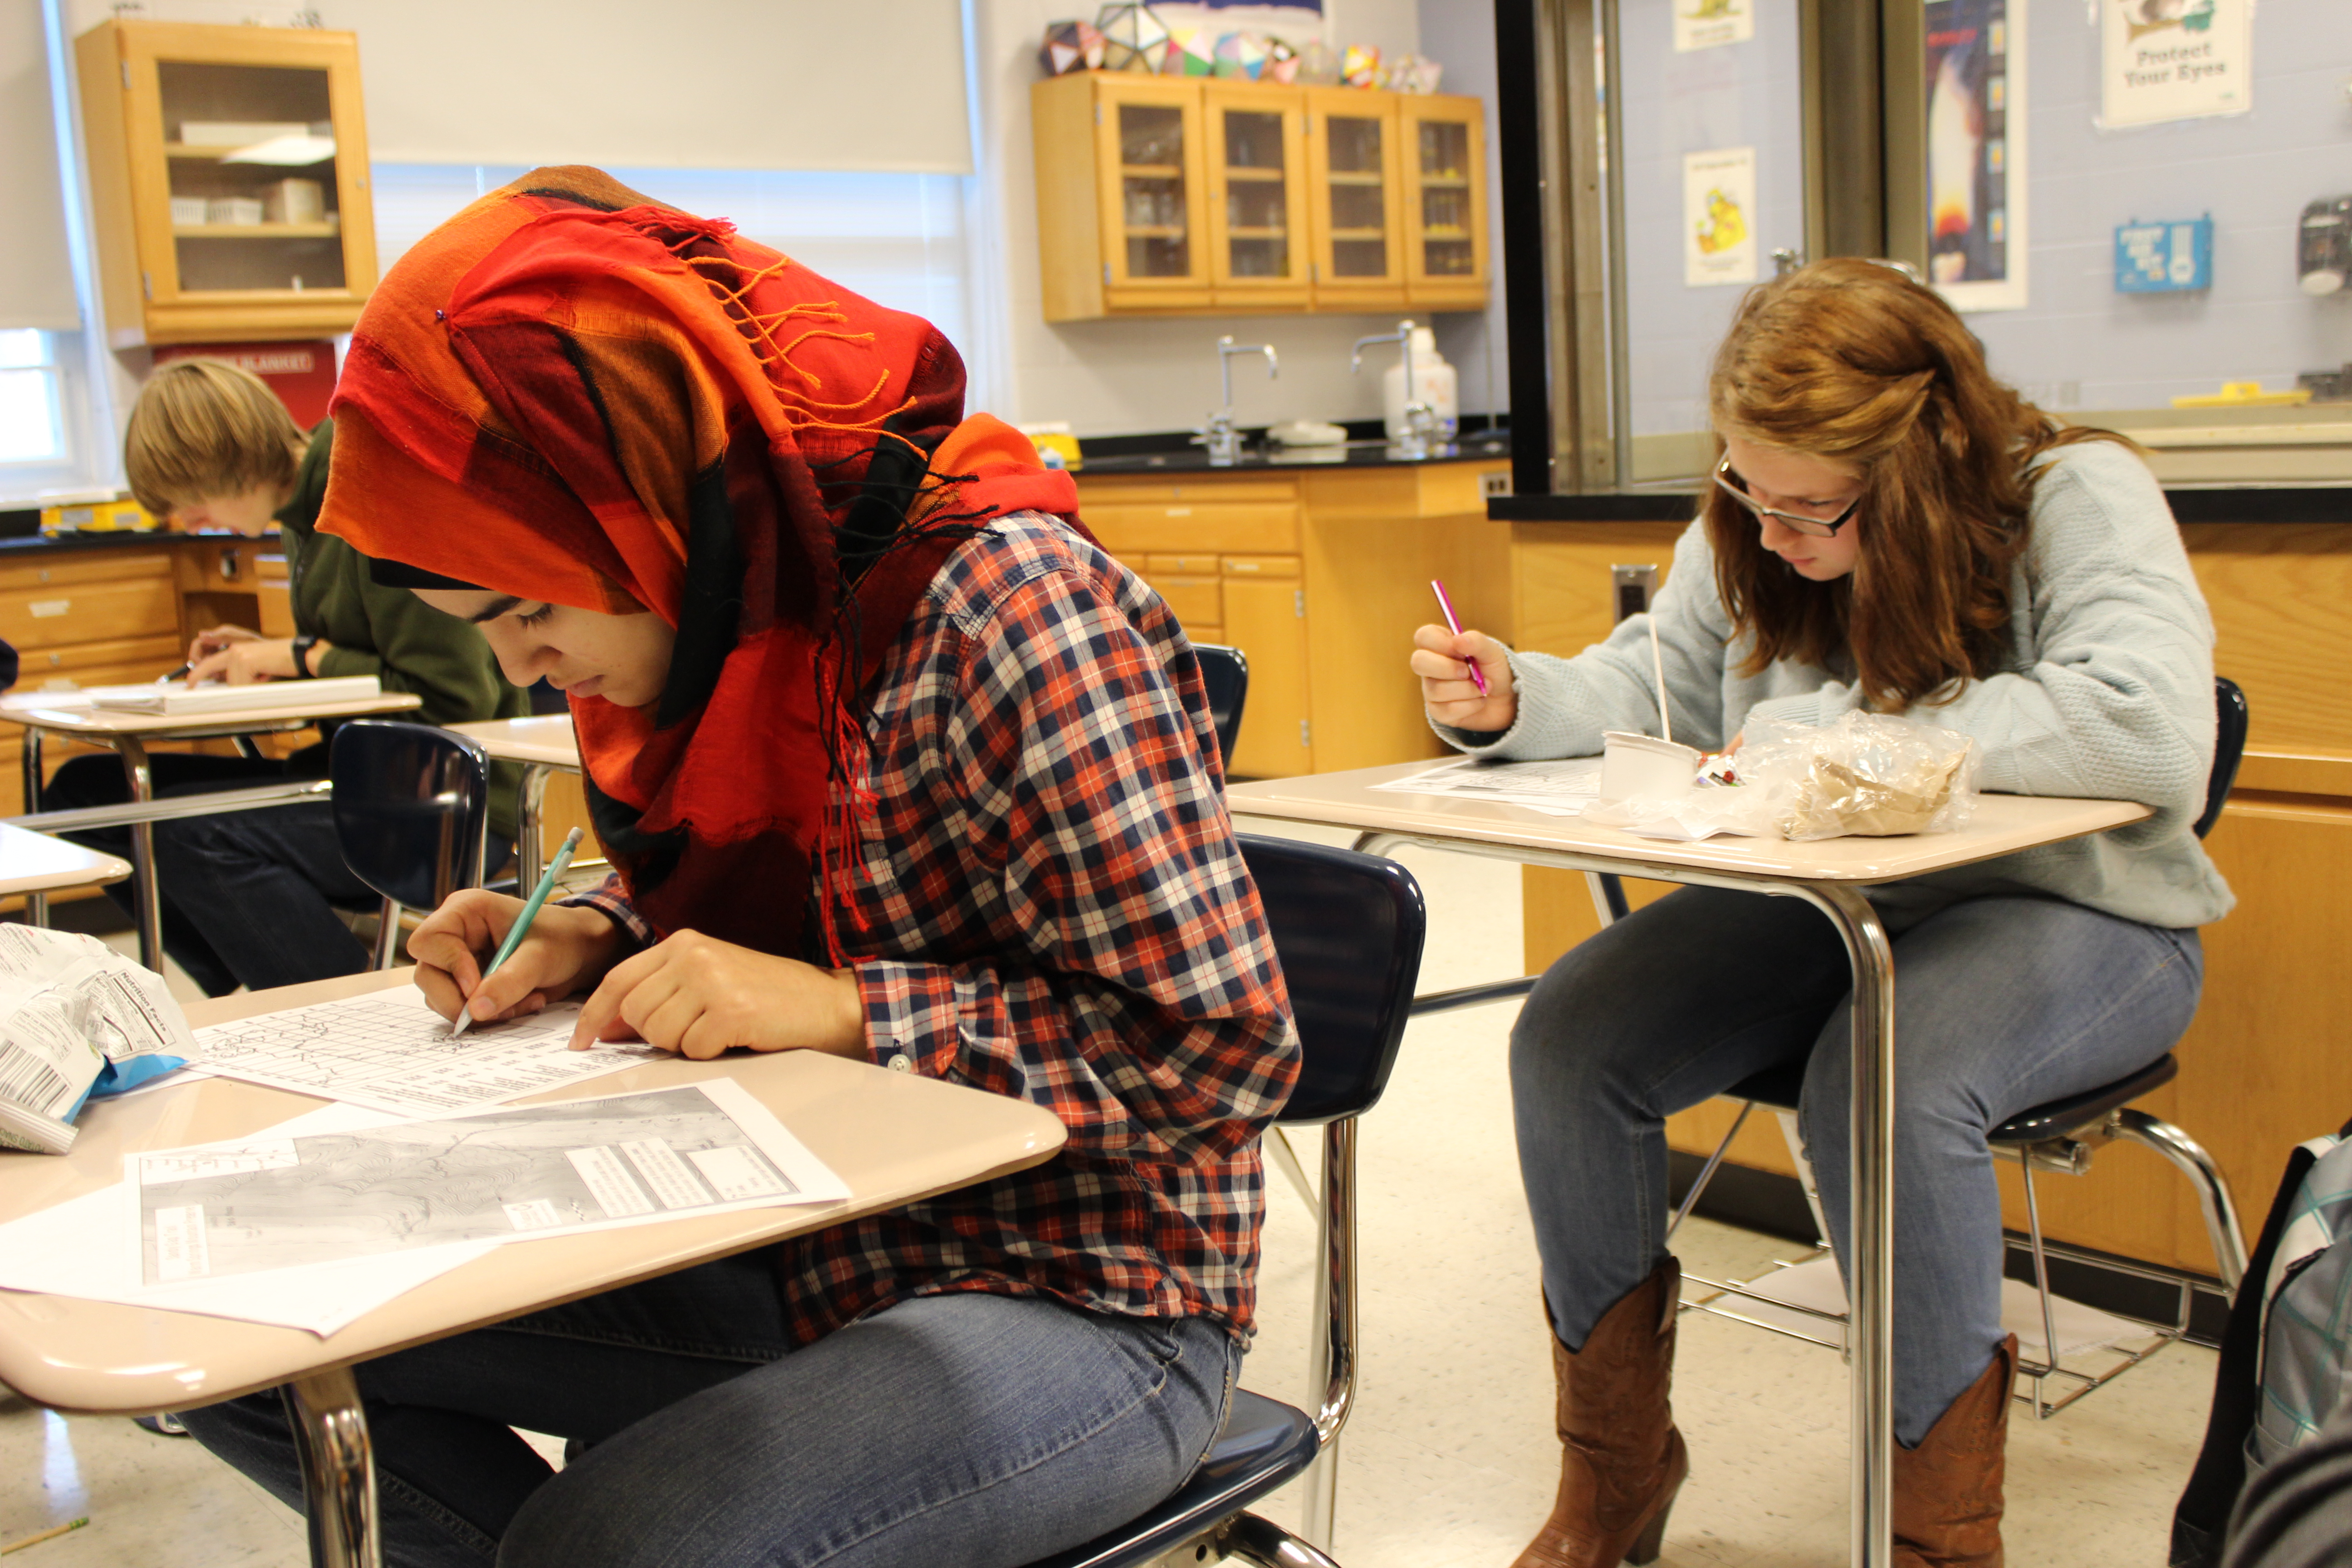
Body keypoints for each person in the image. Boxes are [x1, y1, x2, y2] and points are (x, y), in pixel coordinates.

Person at [176, 167, 1298, 1568]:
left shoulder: (1009, 611)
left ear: (640, 491)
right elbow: (741, 901)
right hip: (791, 1227)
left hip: (1081, 1292)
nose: (517, 664)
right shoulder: (696, 605)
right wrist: (592, 930)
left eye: (526, 605)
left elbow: (1223, 1051)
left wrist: (845, 1012)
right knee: (245, 1342)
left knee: (613, 1547)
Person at [1410, 257, 2231, 1568]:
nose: (1776, 531)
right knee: (1571, 1034)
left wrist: (1860, 725)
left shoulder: (2075, 493)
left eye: (1815, 508)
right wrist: (1513, 700)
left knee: (1885, 1075)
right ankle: (1616, 1474)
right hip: (1845, 902)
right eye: (1752, 487)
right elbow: (1660, 685)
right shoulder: (1755, 512)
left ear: (1918, 467)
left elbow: (2147, 734)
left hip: (2089, 915)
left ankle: (1940, 1537)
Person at [42, 359, 528, 994]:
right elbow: (356, 647)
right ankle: (234, 977)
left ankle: (350, 1012)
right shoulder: (303, 516)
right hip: (359, 768)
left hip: (448, 797)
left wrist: (300, 657)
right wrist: (284, 650)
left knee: (195, 839)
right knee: (87, 793)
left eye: (188, 500)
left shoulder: (367, 496)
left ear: (225, 462)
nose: (187, 521)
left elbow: (453, 697)